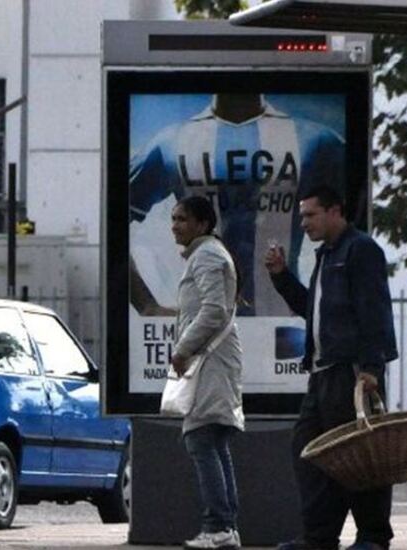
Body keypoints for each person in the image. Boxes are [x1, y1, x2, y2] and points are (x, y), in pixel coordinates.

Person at [264, 185, 398, 550]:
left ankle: (372, 536)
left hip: (352, 372)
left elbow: (375, 310)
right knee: (309, 451)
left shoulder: (361, 250)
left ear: (335, 211)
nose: (304, 223)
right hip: (322, 374)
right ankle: (319, 537)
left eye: (310, 214)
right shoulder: (327, 255)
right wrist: (281, 276)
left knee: (361, 456)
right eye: (303, 215)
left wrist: (372, 367)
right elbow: (313, 311)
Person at [130, 93, 345, 317]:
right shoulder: (171, 142)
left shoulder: (316, 140)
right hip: (202, 327)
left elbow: (352, 233)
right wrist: (146, 304)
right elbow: (112, 218)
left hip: (284, 326)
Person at [169, 196, 245, 550]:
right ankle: (224, 526)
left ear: (202, 224)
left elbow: (213, 310)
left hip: (210, 361)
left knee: (201, 437)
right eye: (173, 219)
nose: (175, 225)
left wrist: (183, 348)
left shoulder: (208, 256)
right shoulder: (204, 255)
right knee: (212, 438)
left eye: (182, 219)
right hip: (212, 360)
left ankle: (219, 526)